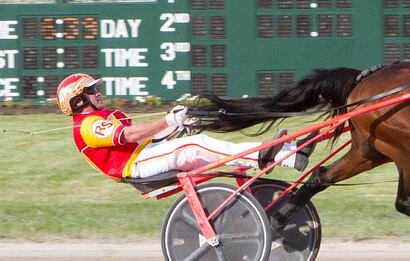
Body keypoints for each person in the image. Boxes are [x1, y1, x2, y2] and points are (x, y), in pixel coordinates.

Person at [56, 73, 313, 182]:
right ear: (78, 100)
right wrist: (169, 120)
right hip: (136, 167)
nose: (98, 92)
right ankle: (283, 156)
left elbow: (147, 137)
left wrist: (178, 126)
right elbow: (132, 135)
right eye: (91, 91)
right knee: (195, 145)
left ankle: (288, 151)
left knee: (201, 145)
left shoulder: (102, 116)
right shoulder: (87, 126)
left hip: (146, 156)